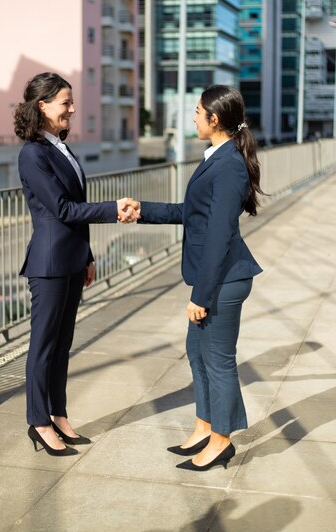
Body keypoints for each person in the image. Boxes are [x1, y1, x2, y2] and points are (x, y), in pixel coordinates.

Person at [129, 85, 263, 471]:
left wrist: (201, 297)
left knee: (218, 361)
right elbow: (193, 212)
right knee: (197, 354)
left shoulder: (229, 165)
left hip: (223, 279)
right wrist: (143, 211)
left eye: (197, 110)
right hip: (215, 277)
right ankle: (205, 426)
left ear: (214, 119)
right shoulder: (219, 158)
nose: (193, 116)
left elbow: (220, 235)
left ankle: (222, 439)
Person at [14, 72, 138, 456]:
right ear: (43, 106)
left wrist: (87, 256)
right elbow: (63, 209)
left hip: (70, 261)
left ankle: (58, 414)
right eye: (65, 102)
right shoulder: (32, 153)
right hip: (49, 264)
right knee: (44, 347)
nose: (72, 109)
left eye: (71, 102)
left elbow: (72, 213)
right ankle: (38, 421)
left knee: (62, 344)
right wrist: (113, 209)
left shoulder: (59, 147)